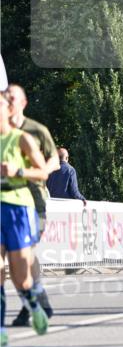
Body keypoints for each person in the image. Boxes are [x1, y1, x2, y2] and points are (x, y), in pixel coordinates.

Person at [6, 83, 59, 325]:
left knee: (26, 256)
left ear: (22, 104)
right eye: (4, 98)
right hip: (5, 202)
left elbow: (54, 160)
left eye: (12, 98)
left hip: (33, 201)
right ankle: (35, 300)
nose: (7, 102)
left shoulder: (35, 130)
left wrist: (33, 172)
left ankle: (33, 302)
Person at [1, 91, 50, 347]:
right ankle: (1, 334)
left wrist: (18, 171)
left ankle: (35, 307)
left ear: (8, 110)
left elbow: (43, 172)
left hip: (18, 207)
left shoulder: (22, 139)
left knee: (21, 278)